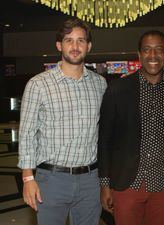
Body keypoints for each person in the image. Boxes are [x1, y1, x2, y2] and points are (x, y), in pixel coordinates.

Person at [18, 18, 107, 225]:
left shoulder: (99, 84)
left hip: (90, 179)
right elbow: (27, 133)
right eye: (69, 40)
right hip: (52, 180)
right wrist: (28, 178)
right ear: (59, 45)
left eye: (81, 41)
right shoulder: (38, 84)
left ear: (89, 46)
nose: (75, 47)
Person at [98, 30, 164, 225]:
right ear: (139, 55)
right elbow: (105, 140)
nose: (153, 55)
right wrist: (105, 185)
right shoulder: (118, 90)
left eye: (159, 50)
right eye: (147, 50)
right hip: (127, 183)